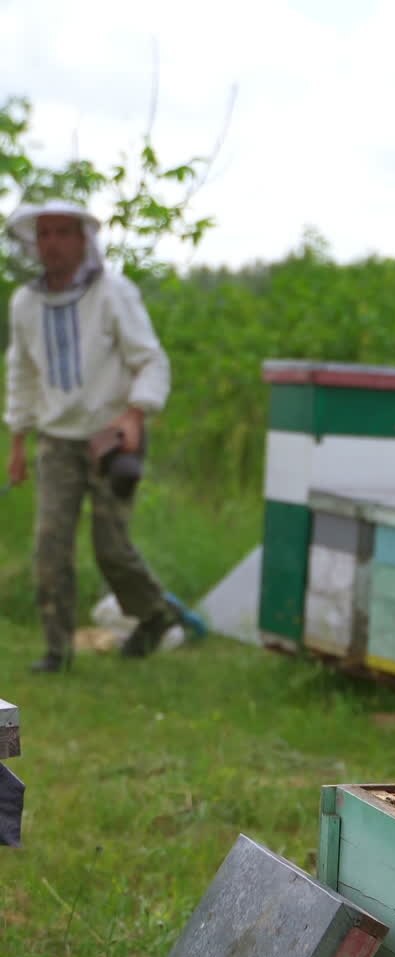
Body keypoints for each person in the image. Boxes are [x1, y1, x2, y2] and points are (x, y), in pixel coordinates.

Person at [4, 198, 181, 672]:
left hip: (111, 436)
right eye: (45, 234)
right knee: (50, 546)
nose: (53, 244)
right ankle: (57, 651)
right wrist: (18, 440)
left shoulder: (113, 293)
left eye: (64, 233)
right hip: (56, 440)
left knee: (111, 547)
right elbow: (20, 371)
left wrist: (136, 415)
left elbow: (151, 360)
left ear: (83, 240)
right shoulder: (24, 303)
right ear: (33, 242)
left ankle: (154, 616)